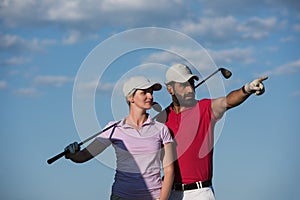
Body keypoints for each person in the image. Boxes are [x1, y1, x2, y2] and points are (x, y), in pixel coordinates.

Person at [156, 63, 268, 200]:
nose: (190, 89)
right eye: (183, 85)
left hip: (200, 193)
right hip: (170, 193)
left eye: (191, 83)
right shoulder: (162, 119)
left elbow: (228, 101)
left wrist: (247, 89)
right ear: (170, 89)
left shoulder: (204, 108)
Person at [64, 76, 174, 200]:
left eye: (151, 92)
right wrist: (72, 154)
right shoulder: (114, 128)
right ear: (131, 97)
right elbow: (84, 156)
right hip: (122, 196)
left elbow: (169, 170)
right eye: (144, 92)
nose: (150, 96)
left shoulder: (161, 129)